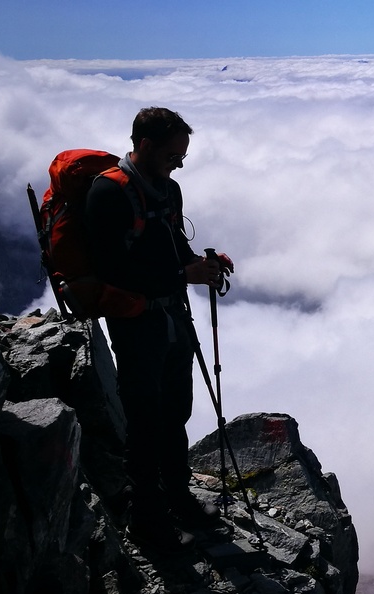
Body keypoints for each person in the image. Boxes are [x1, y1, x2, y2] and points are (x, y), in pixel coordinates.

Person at [86, 106, 232, 552]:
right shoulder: (108, 193)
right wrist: (181, 276)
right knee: (145, 419)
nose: (179, 163)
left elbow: (175, 245)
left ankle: (178, 498)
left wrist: (200, 265)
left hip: (171, 319)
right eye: (173, 154)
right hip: (136, 322)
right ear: (145, 146)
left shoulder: (168, 190)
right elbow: (109, 269)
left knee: (177, 411)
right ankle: (147, 520)